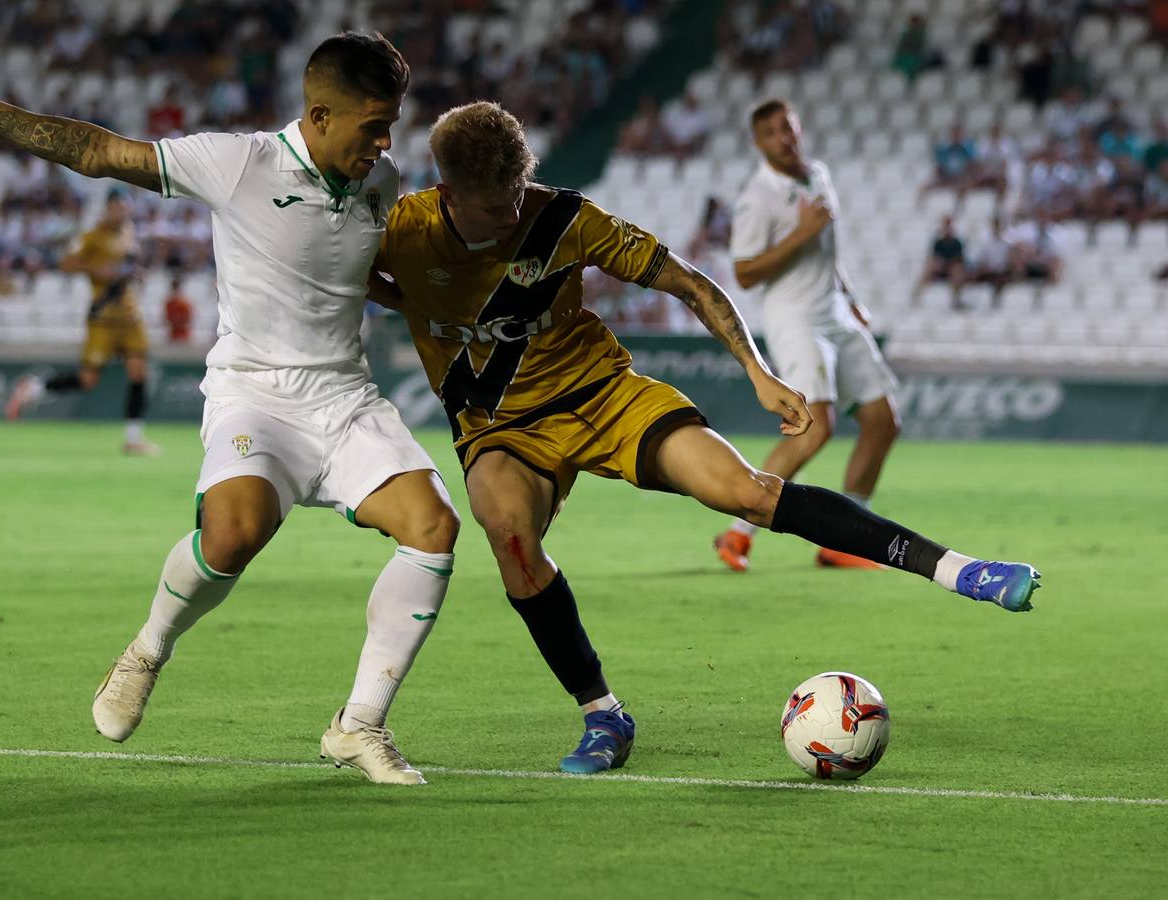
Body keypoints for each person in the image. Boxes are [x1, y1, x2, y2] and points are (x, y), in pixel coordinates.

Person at [371, 100, 1041, 776]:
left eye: (519, 193)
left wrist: (758, 371)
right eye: (494, 206)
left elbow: (688, 282)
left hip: (604, 395)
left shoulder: (562, 218)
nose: (512, 213)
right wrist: (414, 306)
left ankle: (963, 571)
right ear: (447, 191)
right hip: (501, 426)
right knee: (510, 537)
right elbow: (338, 276)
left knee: (748, 493)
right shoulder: (401, 230)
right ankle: (604, 715)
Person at [0, 33, 461, 786]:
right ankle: (146, 651)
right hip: (255, 393)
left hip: (344, 395)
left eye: (391, 123)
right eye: (373, 124)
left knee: (434, 529)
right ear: (321, 114)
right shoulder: (239, 164)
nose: (386, 142)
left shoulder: (381, 180)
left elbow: (359, 275)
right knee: (233, 536)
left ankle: (359, 726)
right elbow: (103, 152)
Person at [715, 99, 905, 572]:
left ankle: (846, 541)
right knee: (815, 426)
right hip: (795, 317)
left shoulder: (817, 174)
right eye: (773, 132)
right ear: (758, 142)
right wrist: (799, 234)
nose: (784, 138)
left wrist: (851, 296)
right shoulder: (756, 197)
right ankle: (738, 533)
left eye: (789, 128)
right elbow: (743, 273)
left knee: (883, 420)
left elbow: (828, 252)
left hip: (836, 312)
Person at [1, 191, 161, 456]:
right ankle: (35, 387)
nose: (121, 213)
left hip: (130, 315)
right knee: (88, 380)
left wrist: (136, 272)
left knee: (139, 371)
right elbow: (66, 263)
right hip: (103, 317)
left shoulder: (129, 234)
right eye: (117, 208)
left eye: (124, 208)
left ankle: (133, 438)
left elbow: (128, 267)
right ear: (107, 209)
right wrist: (96, 270)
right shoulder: (91, 236)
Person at [164, 274, 193, 344]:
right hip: (172, 334)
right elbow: (166, 318)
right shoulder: (169, 303)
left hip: (183, 335)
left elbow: (188, 318)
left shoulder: (184, 303)